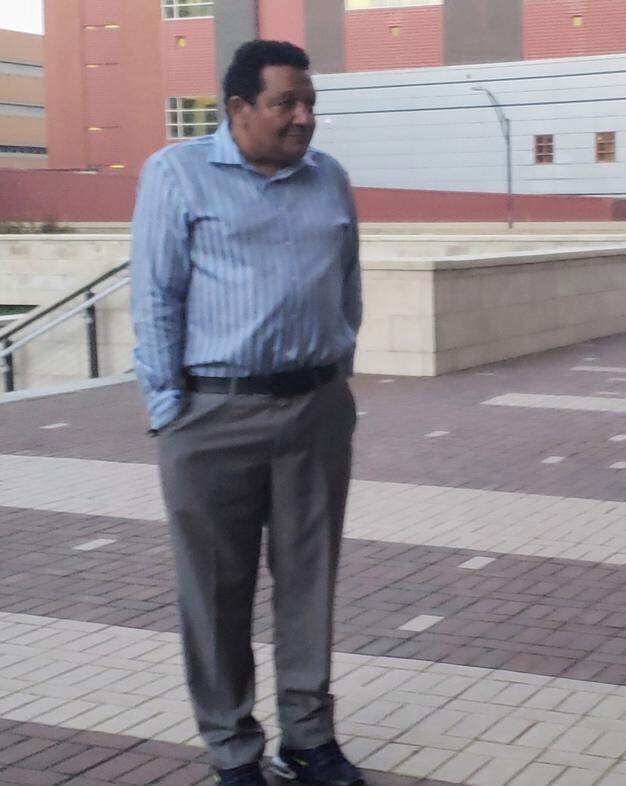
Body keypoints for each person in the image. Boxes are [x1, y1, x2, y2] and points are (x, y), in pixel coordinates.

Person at [131, 39, 364, 786]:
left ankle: (309, 738)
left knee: (310, 583)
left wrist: (336, 377)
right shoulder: (176, 175)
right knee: (215, 591)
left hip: (316, 413)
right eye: (285, 103)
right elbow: (155, 298)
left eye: (310, 104)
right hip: (214, 415)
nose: (303, 118)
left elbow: (347, 285)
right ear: (238, 108)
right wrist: (171, 411)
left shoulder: (330, 179)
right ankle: (234, 749)